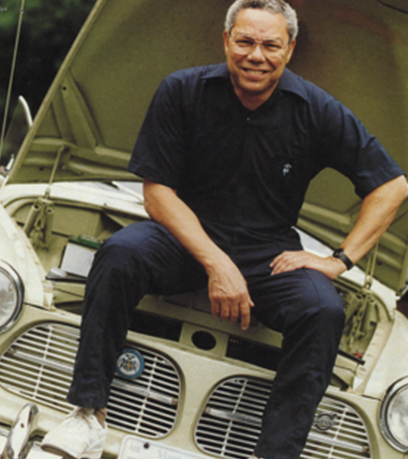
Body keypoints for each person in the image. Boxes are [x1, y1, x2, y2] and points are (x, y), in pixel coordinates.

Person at [41, 0, 408, 458]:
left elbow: (391, 185)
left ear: (289, 49)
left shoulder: (317, 109)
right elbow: (157, 193)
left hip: (268, 249)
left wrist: (338, 260)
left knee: (322, 310)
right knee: (119, 253)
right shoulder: (182, 89)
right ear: (226, 41)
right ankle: (87, 415)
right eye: (246, 41)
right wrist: (218, 264)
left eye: (271, 45)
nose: (257, 55)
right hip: (183, 238)